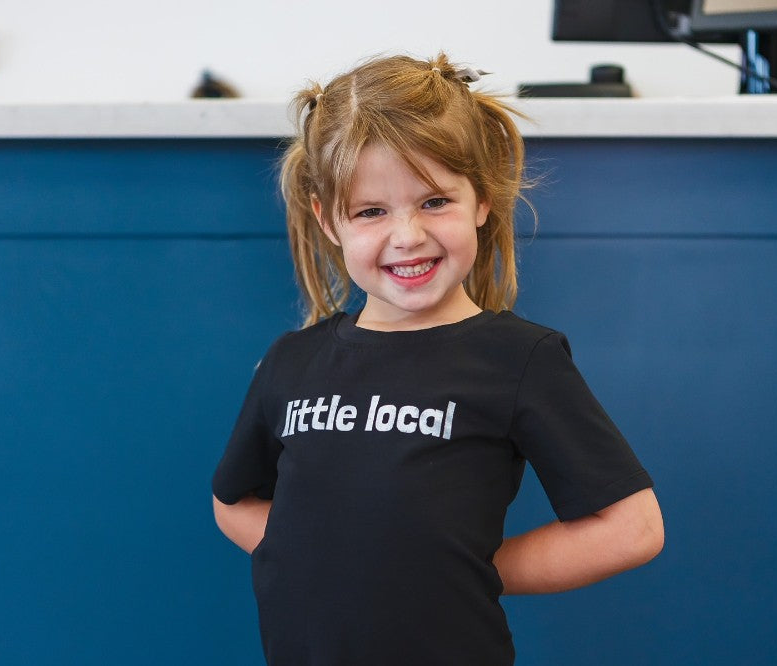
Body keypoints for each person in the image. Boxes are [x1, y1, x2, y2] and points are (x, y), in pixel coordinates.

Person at [211, 52, 664, 666]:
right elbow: (233, 501)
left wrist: (461, 567)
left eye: (434, 202)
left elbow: (633, 529)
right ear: (328, 221)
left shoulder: (520, 359)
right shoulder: (292, 361)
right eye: (371, 211)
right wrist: (327, 557)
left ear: (481, 199)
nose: (407, 236)